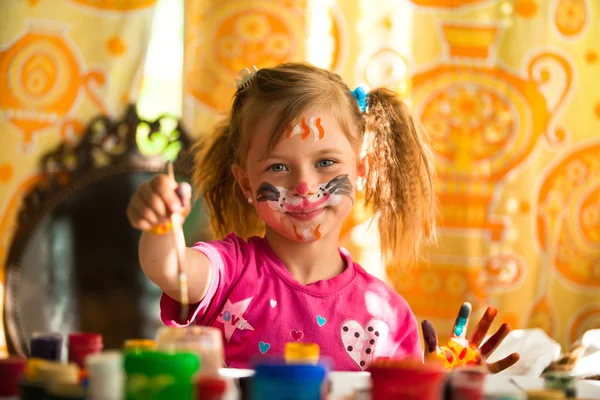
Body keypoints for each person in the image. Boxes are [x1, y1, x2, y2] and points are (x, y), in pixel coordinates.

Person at [127, 62, 516, 372]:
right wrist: (161, 222)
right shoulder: (229, 272)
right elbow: (169, 266)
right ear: (246, 183)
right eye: (278, 167)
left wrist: (441, 384)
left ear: (361, 167)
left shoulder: (388, 315)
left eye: (326, 162)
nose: (303, 185)